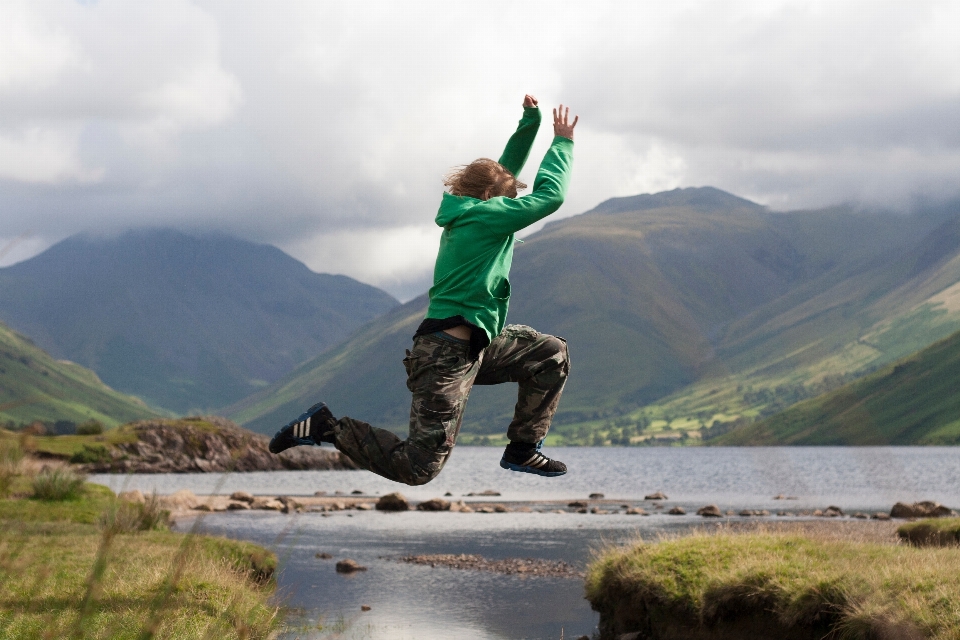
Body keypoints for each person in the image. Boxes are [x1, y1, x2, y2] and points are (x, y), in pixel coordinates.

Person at [269, 94, 577, 486]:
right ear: (490, 198)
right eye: (510, 196)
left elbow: (503, 173)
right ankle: (328, 427)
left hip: (479, 346)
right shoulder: (484, 217)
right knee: (419, 468)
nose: (515, 201)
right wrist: (562, 142)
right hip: (444, 356)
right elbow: (552, 196)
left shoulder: (474, 209)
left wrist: (530, 123)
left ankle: (521, 449)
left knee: (551, 354)